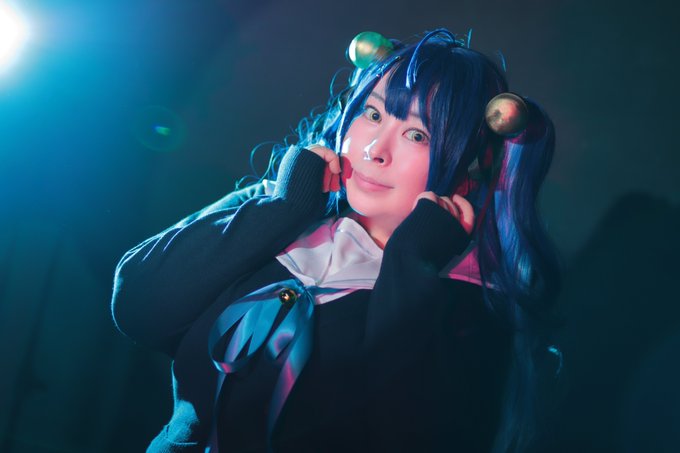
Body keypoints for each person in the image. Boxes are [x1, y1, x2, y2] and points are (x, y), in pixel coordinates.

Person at [111, 29, 560, 453]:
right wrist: (282, 209)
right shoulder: (280, 205)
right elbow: (139, 307)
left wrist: (410, 265)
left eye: (417, 135)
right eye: (373, 114)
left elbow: (404, 433)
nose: (374, 150)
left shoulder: (472, 299)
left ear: (470, 169)